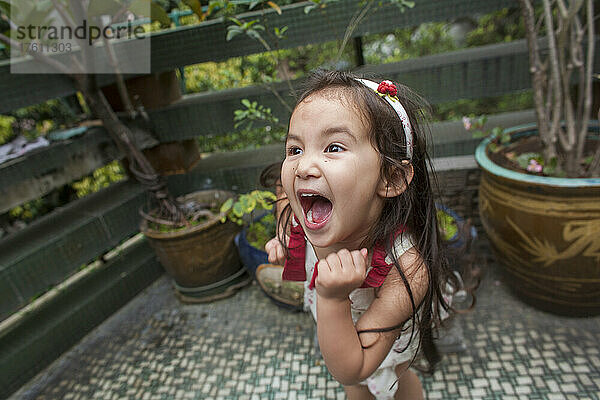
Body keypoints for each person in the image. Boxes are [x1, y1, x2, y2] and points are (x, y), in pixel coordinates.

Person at [264, 69, 458, 400]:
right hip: (334, 315)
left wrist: (334, 299)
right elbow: (285, 197)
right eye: (295, 149)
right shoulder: (310, 205)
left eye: (334, 147)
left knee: (392, 381)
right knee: (355, 389)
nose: (302, 167)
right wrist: (283, 236)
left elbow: (354, 366)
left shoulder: (405, 269)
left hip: (376, 343)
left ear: (391, 178)